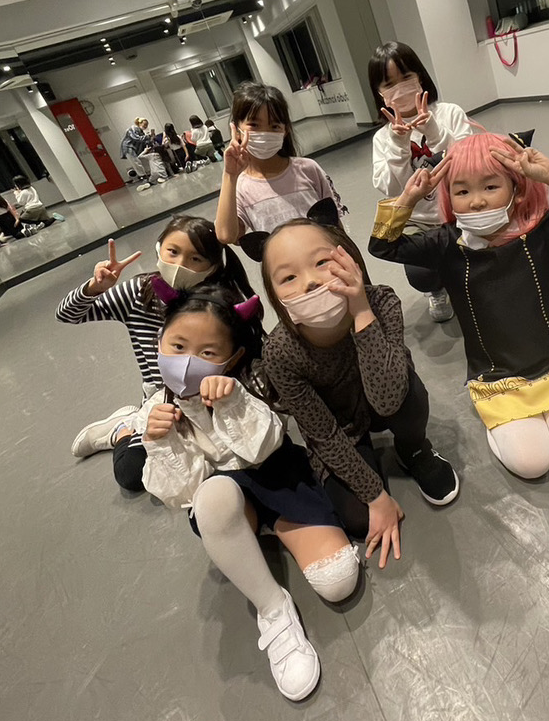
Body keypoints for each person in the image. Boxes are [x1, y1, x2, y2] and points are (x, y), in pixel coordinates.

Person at [136, 284, 359, 700]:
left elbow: (266, 446)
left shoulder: (248, 381)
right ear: (160, 342)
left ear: (232, 357)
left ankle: (275, 532)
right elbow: (183, 493)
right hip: (225, 502)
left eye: (207, 352)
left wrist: (233, 403)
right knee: (212, 497)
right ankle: (273, 609)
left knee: (339, 580)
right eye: (178, 346)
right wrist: (159, 442)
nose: (187, 362)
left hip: (277, 477)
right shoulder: (155, 411)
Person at [368, 131, 549, 481]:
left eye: (491, 187)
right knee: (532, 464)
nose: (477, 201)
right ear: (449, 196)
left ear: (516, 189)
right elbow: (382, 247)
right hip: (497, 379)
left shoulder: (544, 231)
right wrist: (409, 199)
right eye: (462, 191)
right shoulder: (446, 243)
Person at [260, 218, 459, 569]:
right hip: (341, 428)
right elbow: (322, 434)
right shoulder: (280, 353)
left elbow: (389, 398)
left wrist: (361, 311)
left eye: (322, 262)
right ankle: (367, 458)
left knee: (409, 393)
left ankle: (413, 449)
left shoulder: (381, 301)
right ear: (274, 295)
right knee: (359, 519)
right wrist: (376, 496)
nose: (310, 281)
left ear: (349, 258)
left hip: (385, 402)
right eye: (288, 277)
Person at [56, 214, 256, 492]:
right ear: (159, 249)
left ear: (213, 266)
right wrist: (94, 288)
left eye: (195, 258)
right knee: (132, 473)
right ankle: (122, 429)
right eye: (173, 252)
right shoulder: (138, 292)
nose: (180, 265)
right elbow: (68, 314)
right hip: (162, 400)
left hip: (213, 395)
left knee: (235, 456)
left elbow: (244, 354)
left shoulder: (219, 301)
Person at [369, 42, 470, 323]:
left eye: (406, 77)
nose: (400, 89)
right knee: (421, 274)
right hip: (418, 222)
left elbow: (470, 166)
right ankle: (436, 290)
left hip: (459, 212)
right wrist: (398, 145)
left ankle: (467, 282)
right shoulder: (382, 139)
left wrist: (434, 132)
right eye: (389, 84)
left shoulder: (449, 113)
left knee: (475, 258)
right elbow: (392, 190)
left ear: (420, 77)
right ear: (379, 93)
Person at [215, 82, 346, 250]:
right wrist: (229, 176)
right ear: (236, 128)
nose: (265, 133)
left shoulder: (308, 169)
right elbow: (226, 235)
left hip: (325, 260)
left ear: (286, 130)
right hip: (281, 266)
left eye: (274, 126)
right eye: (254, 125)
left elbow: (335, 224)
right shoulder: (240, 187)